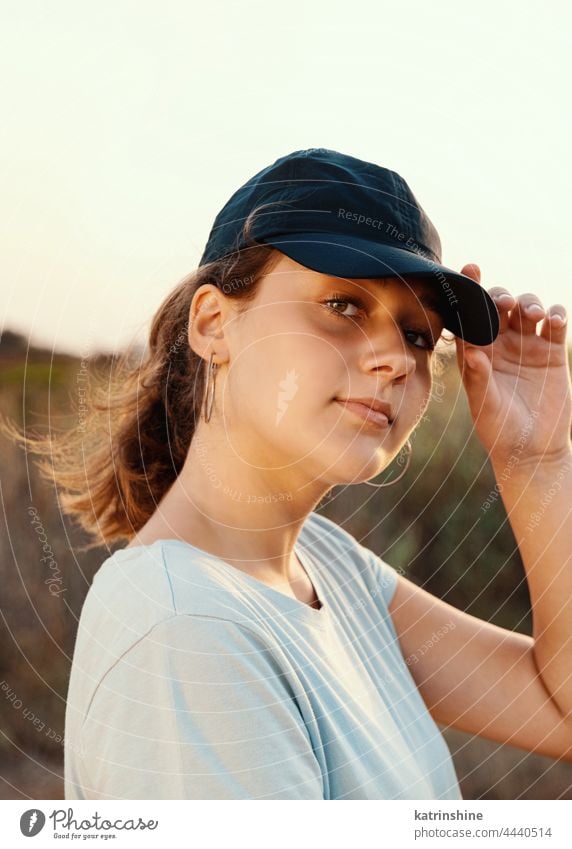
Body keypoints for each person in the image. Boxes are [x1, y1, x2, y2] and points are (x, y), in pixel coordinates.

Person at [11, 148, 572, 799]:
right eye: (342, 304)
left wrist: (537, 458)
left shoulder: (330, 568)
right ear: (214, 323)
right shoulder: (186, 629)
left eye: (418, 334)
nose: (394, 355)